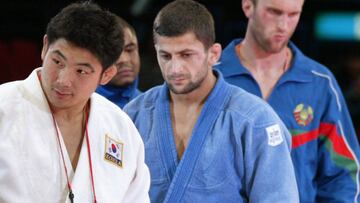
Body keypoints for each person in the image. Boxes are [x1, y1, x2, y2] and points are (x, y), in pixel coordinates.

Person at [124, 0, 299, 202]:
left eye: (186, 55)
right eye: (165, 56)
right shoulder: (134, 115)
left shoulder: (256, 121)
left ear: (213, 54)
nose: (175, 68)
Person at [0, 2, 150, 202]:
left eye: (81, 71)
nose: (63, 80)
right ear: (45, 47)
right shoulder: (4, 108)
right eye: (57, 62)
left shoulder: (121, 128)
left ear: (106, 75)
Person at [214, 0, 360, 202]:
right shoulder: (212, 78)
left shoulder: (318, 83)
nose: (283, 25)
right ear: (248, 6)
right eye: (274, 12)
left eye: (293, 14)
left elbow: (344, 174)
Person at [96, 16, 142, 108]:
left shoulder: (152, 106)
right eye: (113, 52)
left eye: (129, 50)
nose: (123, 60)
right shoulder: (78, 106)